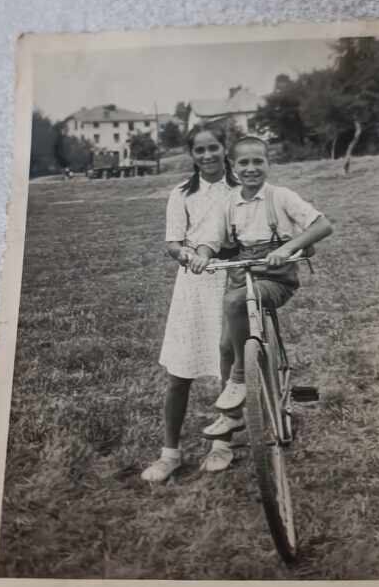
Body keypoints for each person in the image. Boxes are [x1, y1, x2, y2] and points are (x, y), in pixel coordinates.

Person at [192, 134, 333, 414]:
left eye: (258, 161)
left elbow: (322, 225)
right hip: (241, 276)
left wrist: (288, 247)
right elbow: (211, 239)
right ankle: (231, 417)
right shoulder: (228, 203)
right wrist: (202, 255)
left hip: (276, 279)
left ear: (269, 164)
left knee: (235, 303)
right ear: (233, 167)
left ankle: (241, 377)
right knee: (225, 346)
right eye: (243, 162)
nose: (251, 168)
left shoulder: (280, 196)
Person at [141, 124, 240, 483]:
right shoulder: (181, 193)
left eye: (213, 147)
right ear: (192, 155)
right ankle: (170, 453)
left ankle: (222, 445)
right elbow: (172, 242)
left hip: (230, 278)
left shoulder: (240, 186)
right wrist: (186, 254)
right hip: (193, 284)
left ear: (224, 147)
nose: (207, 155)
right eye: (199, 150)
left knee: (227, 366)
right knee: (179, 372)